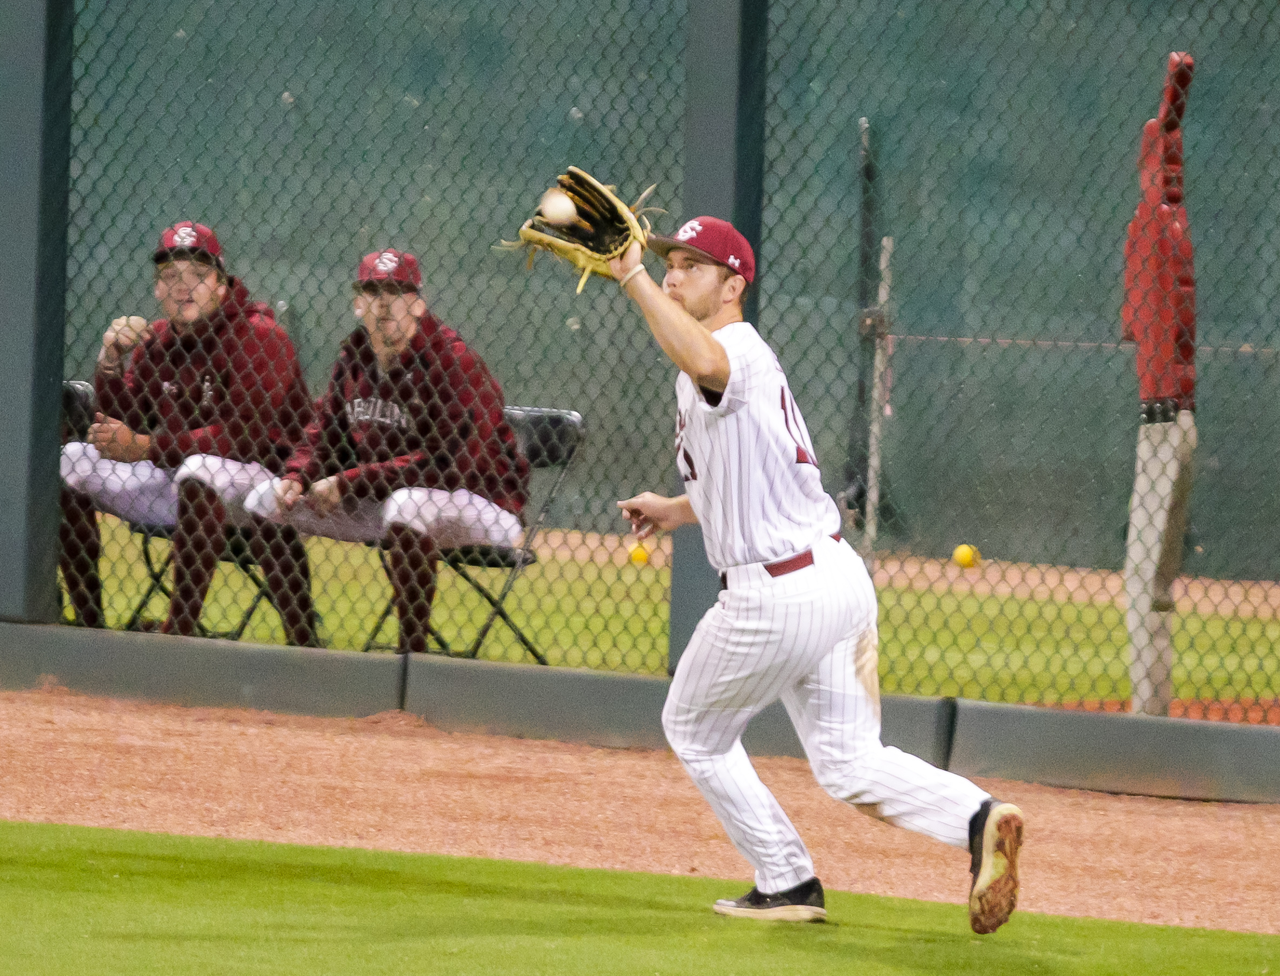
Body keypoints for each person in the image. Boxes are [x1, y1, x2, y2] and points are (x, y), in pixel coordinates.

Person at [611, 217, 1023, 932]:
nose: (674, 275)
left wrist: (630, 278)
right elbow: (749, 478)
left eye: (692, 266)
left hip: (773, 598)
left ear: (734, 283)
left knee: (694, 728)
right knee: (849, 763)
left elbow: (705, 363)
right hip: (835, 581)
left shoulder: (731, 350)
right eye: (668, 263)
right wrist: (678, 510)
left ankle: (786, 880)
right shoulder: (727, 362)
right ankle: (980, 816)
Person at [244, 249, 529, 655]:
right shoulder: (355, 357)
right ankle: (303, 642)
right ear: (358, 303)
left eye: (397, 290)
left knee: (407, 505)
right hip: (388, 500)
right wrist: (297, 476)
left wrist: (349, 481)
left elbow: (449, 466)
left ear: (418, 303)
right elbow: (323, 433)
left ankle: (411, 658)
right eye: (373, 290)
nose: (384, 302)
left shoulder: (452, 361)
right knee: (264, 501)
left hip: (483, 503)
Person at [60, 220, 318, 645]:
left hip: (264, 485)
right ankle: (90, 626)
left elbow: (242, 438)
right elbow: (122, 425)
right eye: (170, 276)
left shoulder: (260, 336)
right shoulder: (157, 341)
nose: (184, 287)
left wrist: (144, 446)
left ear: (221, 284)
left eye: (198, 275)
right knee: (72, 458)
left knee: (201, 468)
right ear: (158, 290)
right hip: (178, 479)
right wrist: (109, 363)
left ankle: (175, 636)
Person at [1121, 53, 1197, 718]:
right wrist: (1173, 97)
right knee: (1160, 581)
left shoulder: (1150, 227)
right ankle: (1156, 709)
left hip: (1159, 420)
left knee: (1142, 580)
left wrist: (1171, 102)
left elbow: (1137, 320)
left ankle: (1146, 718)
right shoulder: (1177, 226)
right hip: (1185, 420)